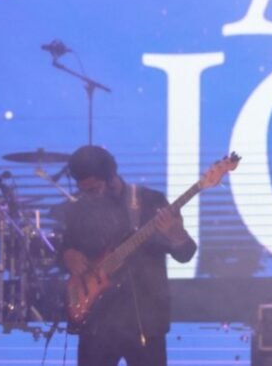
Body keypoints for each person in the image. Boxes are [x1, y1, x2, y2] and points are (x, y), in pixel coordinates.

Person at [55, 145, 197, 366]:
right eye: (84, 190)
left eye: (94, 189)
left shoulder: (150, 201)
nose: (88, 195)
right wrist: (67, 255)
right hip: (96, 322)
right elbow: (62, 251)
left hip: (145, 321)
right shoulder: (78, 209)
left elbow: (185, 253)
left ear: (111, 178)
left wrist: (176, 235)